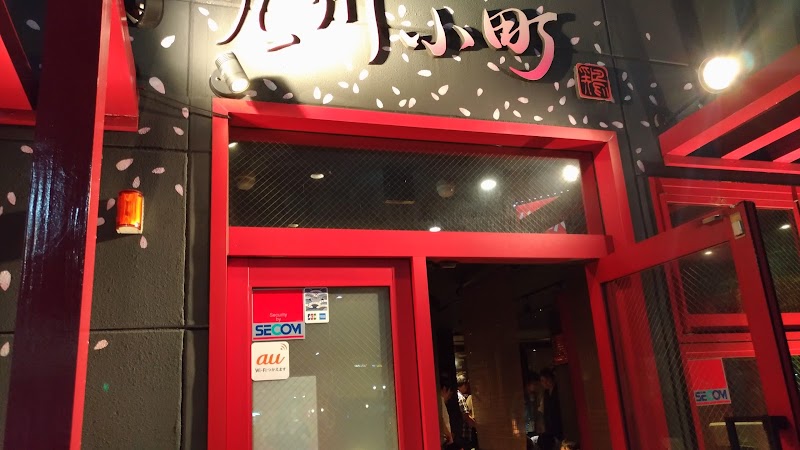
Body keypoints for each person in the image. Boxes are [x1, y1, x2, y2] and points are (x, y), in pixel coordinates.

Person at [539, 368, 563, 450]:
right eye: (542, 381)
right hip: (550, 426)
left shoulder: (558, 390)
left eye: (547, 380)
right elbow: (545, 411)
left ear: (552, 378)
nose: (545, 383)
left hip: (559, 424)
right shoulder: (545, 393)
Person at [439, 381, 462, 450]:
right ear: (444, 389)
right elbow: (440, 419)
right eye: (449, 393)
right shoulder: (440, 402)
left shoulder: (440, 402)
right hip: (444, 439)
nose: (449, 397)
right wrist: (448, 435)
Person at [456, 375, 477, 450]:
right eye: (466, 385)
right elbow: (465, 416)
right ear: (463, 385)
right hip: (464, 433)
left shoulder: (456, 396)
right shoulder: (460, 397)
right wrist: (477, 426)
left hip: (459, 433)